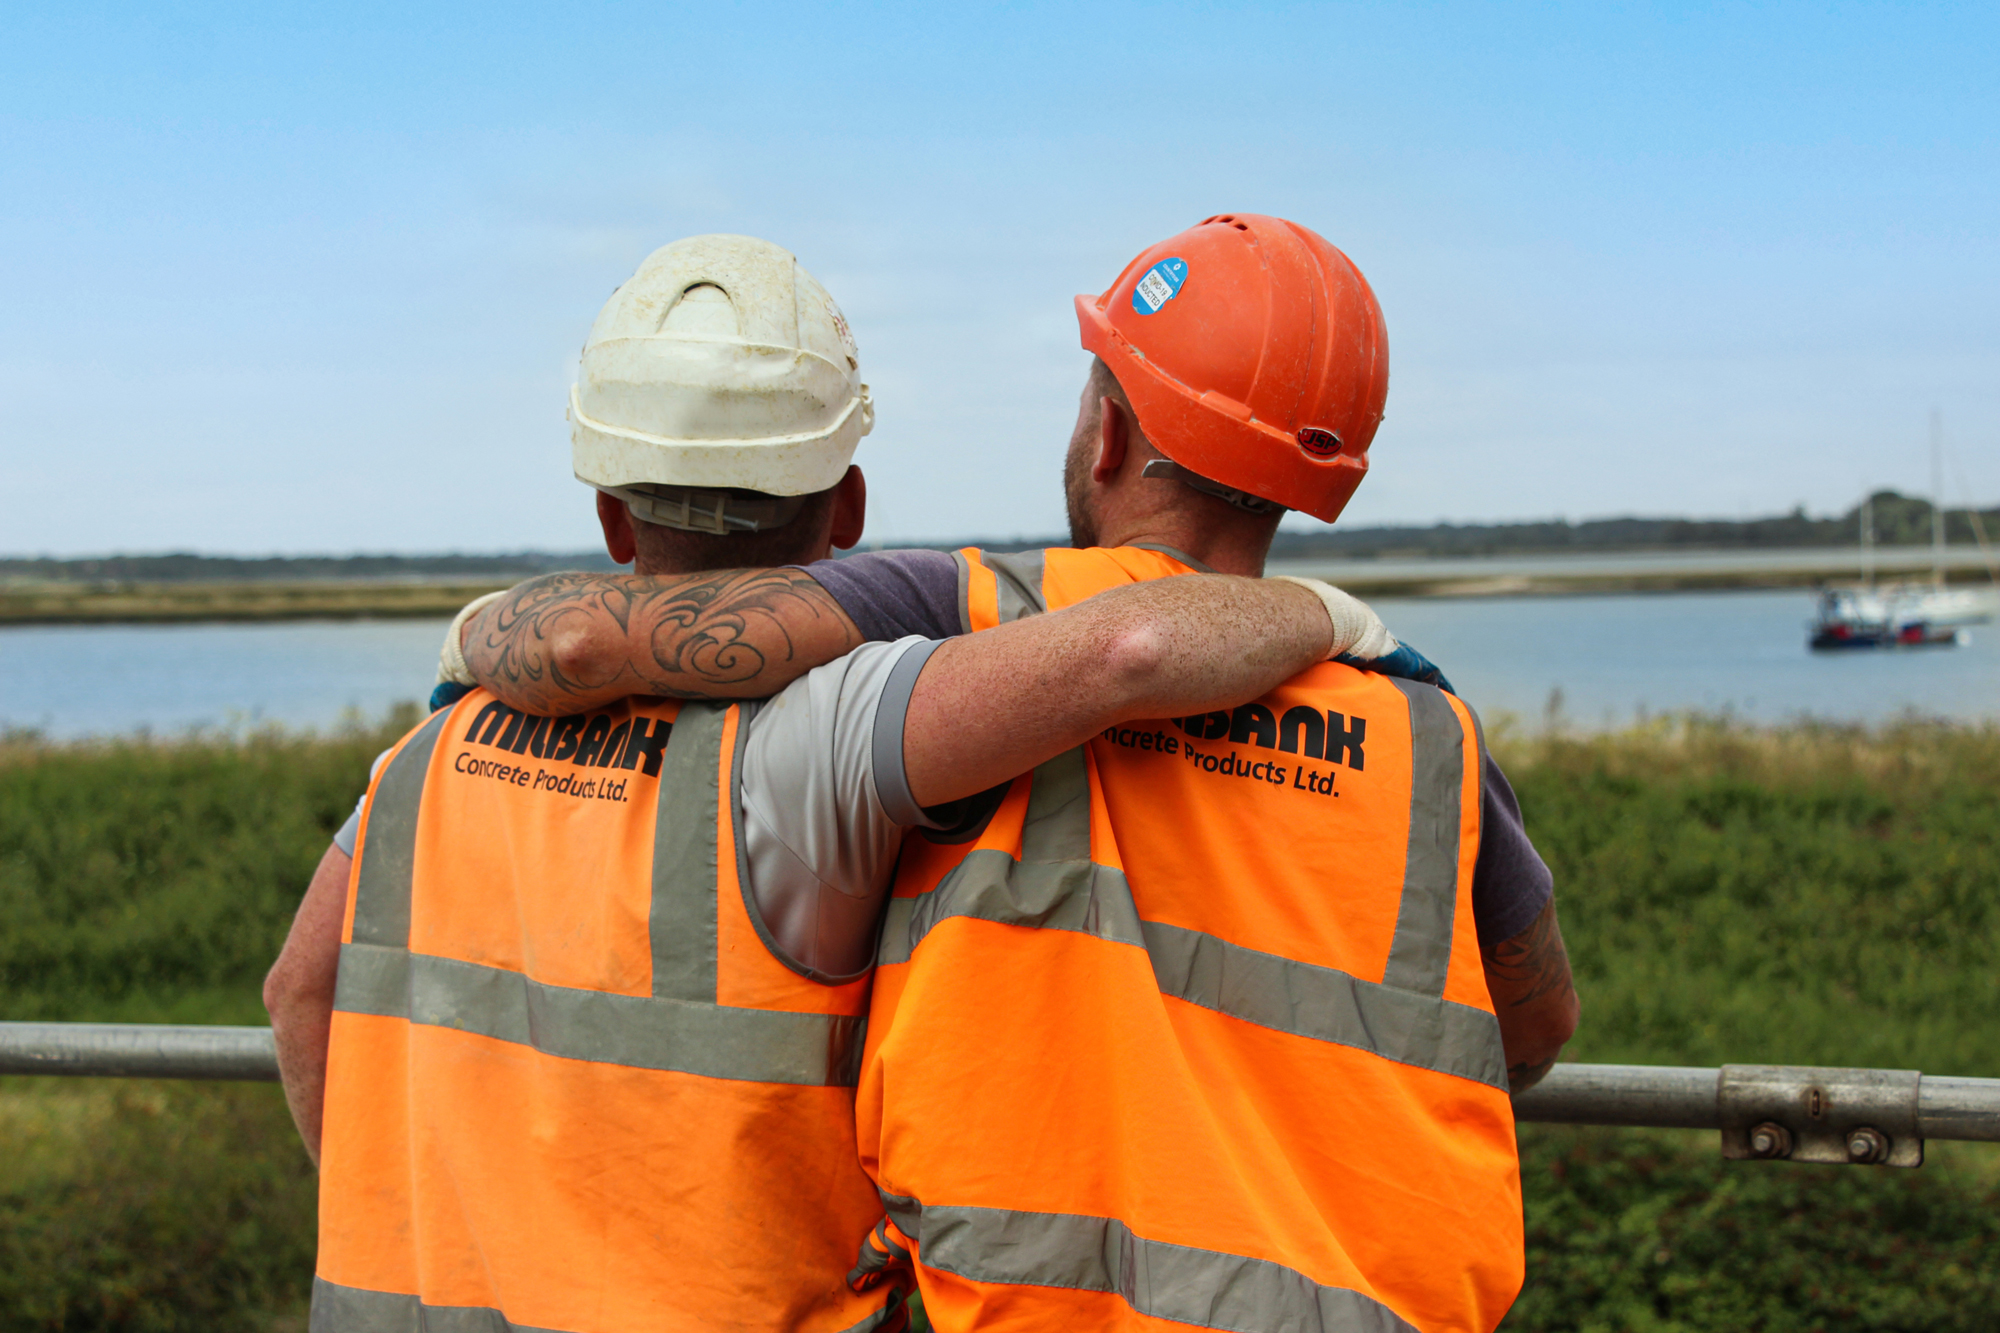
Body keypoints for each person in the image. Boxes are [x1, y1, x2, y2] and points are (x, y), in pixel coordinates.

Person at [448, 215, 1579, 1331]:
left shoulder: (961, 612)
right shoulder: (1428, 731)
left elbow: (597, 642)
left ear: (1105, 433)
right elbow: (1529, 1027)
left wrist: (467, 649)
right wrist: (1320, 618)